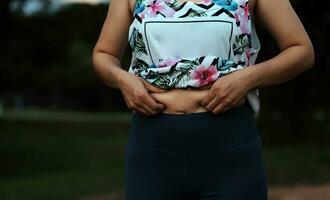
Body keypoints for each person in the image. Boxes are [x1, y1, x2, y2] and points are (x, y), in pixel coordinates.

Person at [92, 0, 315, 199]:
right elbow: (104, 54)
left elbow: (301, 50)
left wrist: (249, 77)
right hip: (151, 149)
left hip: (230, 148)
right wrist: (122, 79)